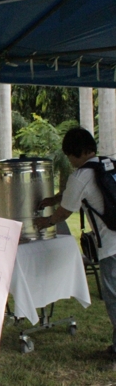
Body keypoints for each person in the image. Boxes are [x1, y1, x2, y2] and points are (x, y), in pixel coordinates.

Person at [35, 127, 116, 365]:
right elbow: (76, 194)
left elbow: (64, 213)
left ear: (76, 152)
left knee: (113, 298)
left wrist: (46, 222)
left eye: (69, 155)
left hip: (112, 247)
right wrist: (54, 198)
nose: (69, 161)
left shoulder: (80, 175)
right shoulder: (108, 164)